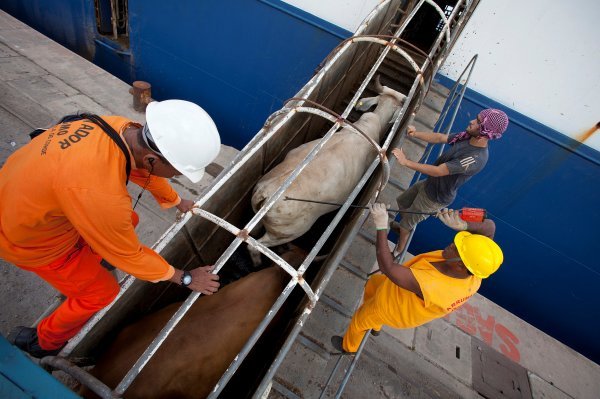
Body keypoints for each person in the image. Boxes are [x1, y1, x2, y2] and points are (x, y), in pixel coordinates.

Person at [1, 99, 222, 358]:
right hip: (26, 240)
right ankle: (43, 341)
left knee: (130, 220)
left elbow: (141, 170)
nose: (173, 177)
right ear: (152, 158)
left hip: (24, 199)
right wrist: (184, 277)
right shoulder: (100, 194)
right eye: (174, 173)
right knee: (101, 293)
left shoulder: (115, 127)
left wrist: (175, 200)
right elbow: (129, 256)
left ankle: (92, 261)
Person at [331, 203, 502, 353]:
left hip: (392, 308)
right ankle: (376, 327)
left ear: (460, 265)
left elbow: (388, 267)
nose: (451, 244)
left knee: (360, 320)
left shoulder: (434, 286)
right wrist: (464, 225)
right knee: (373, 283)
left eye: (456, 248)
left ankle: (349, 348)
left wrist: (381, 226)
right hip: (398, 292)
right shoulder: (475, 269)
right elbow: (490, 227)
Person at [391, 108, 509, 255]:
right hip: (430, 184)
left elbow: (439, 171)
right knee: (402, 202)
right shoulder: (467, 136)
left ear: (485, 131)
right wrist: (415, 134)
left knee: (406, 224)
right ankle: (405, 226)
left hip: (434, 197)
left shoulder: (475, 158)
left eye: (478, 122)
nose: (471, 121)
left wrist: (406, 162)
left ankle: (399, 250)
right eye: (476, 117)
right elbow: (441, 138)